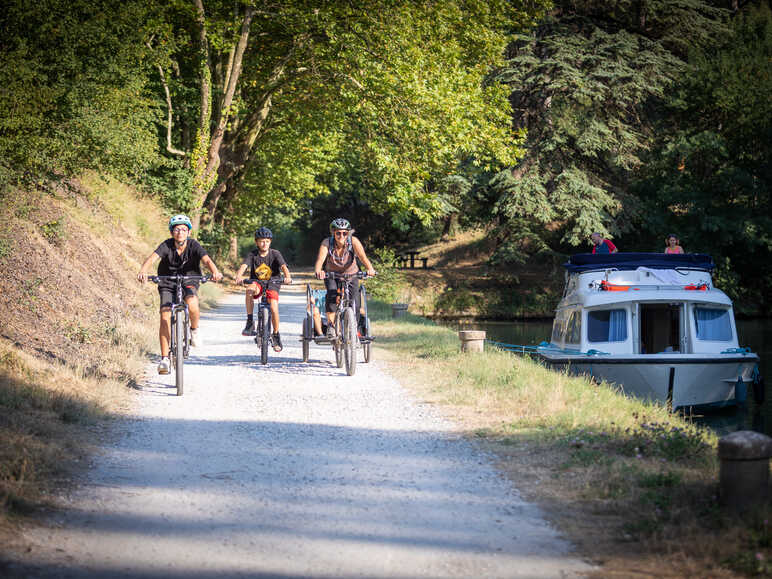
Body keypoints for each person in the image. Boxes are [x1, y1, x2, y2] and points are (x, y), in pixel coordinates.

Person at [137, 214, 223, 375]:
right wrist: (143, 271)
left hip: (189, 279)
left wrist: (215, 272)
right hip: (167, 281)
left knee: (192, 304)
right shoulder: (166, 245)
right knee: (164, 317)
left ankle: (194, 330)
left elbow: (207, 261)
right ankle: (164, 359)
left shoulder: (194, 245)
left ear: (188, 232)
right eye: (177, 230)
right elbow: (152, 259)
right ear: (172, 232)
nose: (180, 233)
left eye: (184, 230)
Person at [314, 218, 376, 338]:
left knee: (356, 303)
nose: (341, 235)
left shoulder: (354, 242)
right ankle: (331, 326)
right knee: (332, 297)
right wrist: (318, 271)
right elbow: (320, 260)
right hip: (332, 274)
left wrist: (370, 269)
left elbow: (363, 257)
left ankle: (355, 329)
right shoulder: (327, 243)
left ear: (348, 233)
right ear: (333, 233)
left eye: (344, 233)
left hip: (351, 274)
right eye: (338, 233)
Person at [235, 227, 292, 352]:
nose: (264, 243)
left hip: (273, 282)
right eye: (261, 241)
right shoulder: (253, 254)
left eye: (267, 241)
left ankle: (276, 335)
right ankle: (250, 321)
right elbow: (244, 265)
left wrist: (287, 277)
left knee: (273, 307)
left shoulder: (275, 253)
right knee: (249, 289)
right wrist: (239, 276)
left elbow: (283, 266)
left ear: (270, 242)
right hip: (258, 283)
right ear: (256, 242)